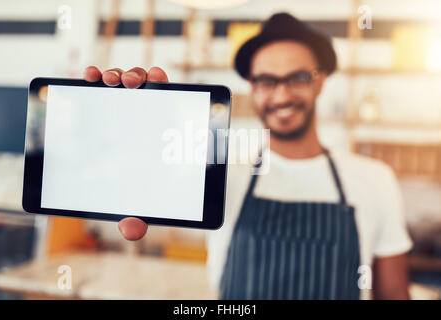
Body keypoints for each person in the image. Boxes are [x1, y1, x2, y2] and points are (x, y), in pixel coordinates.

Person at [83, 12, 413, 300]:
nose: (282, 94)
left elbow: (394, 294)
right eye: (267, 80)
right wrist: (133, 128)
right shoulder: (221, 172)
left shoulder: (374, 179)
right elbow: (153, 177)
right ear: (252, 88)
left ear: (319, 82)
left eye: (297, 77)